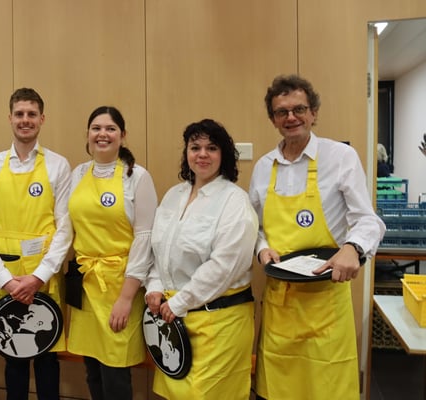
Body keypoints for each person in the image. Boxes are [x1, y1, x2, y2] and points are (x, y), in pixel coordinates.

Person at [249, 74, 386, 400]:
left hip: (325, 302)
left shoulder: (340, 157)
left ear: (313, 113)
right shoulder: (263, 167)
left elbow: (368, 220)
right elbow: (253, 227)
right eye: (282, 112)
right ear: (273, 119)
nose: (291, 117)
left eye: (299, 109)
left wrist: (353, 247)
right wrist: (262, 248)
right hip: (281, 303)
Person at [145, 119, 258, 399]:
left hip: (219, 323)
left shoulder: (235, 201)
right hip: (175, 323)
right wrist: (154, 286)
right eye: (195, 147)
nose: (202, 154)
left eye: (212, 148)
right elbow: (159, 249)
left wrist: (179, 302)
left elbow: (224, 267)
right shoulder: (174, 195)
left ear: (224, 155)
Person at [0, 87, 71, 400]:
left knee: (47, 356)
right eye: (19, 114)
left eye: (31, 114)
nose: (25, 120)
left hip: (44, 278)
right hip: (7, 277)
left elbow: (65, 228)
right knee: (13, 355)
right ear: (10, 118)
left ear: (42, 119)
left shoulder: (58, 165)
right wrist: (6, 280)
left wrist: (39, 276)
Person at [67, 106, 157, 400]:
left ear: (122, 135)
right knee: (92, 368)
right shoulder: (78, 173)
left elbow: (145, 238)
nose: (102, 134)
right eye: (96, 128)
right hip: (86, 283)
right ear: (87, 134)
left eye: (110, 128)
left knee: (115, 371)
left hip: (120, 286)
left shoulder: (137, 177)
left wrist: (126, 298)